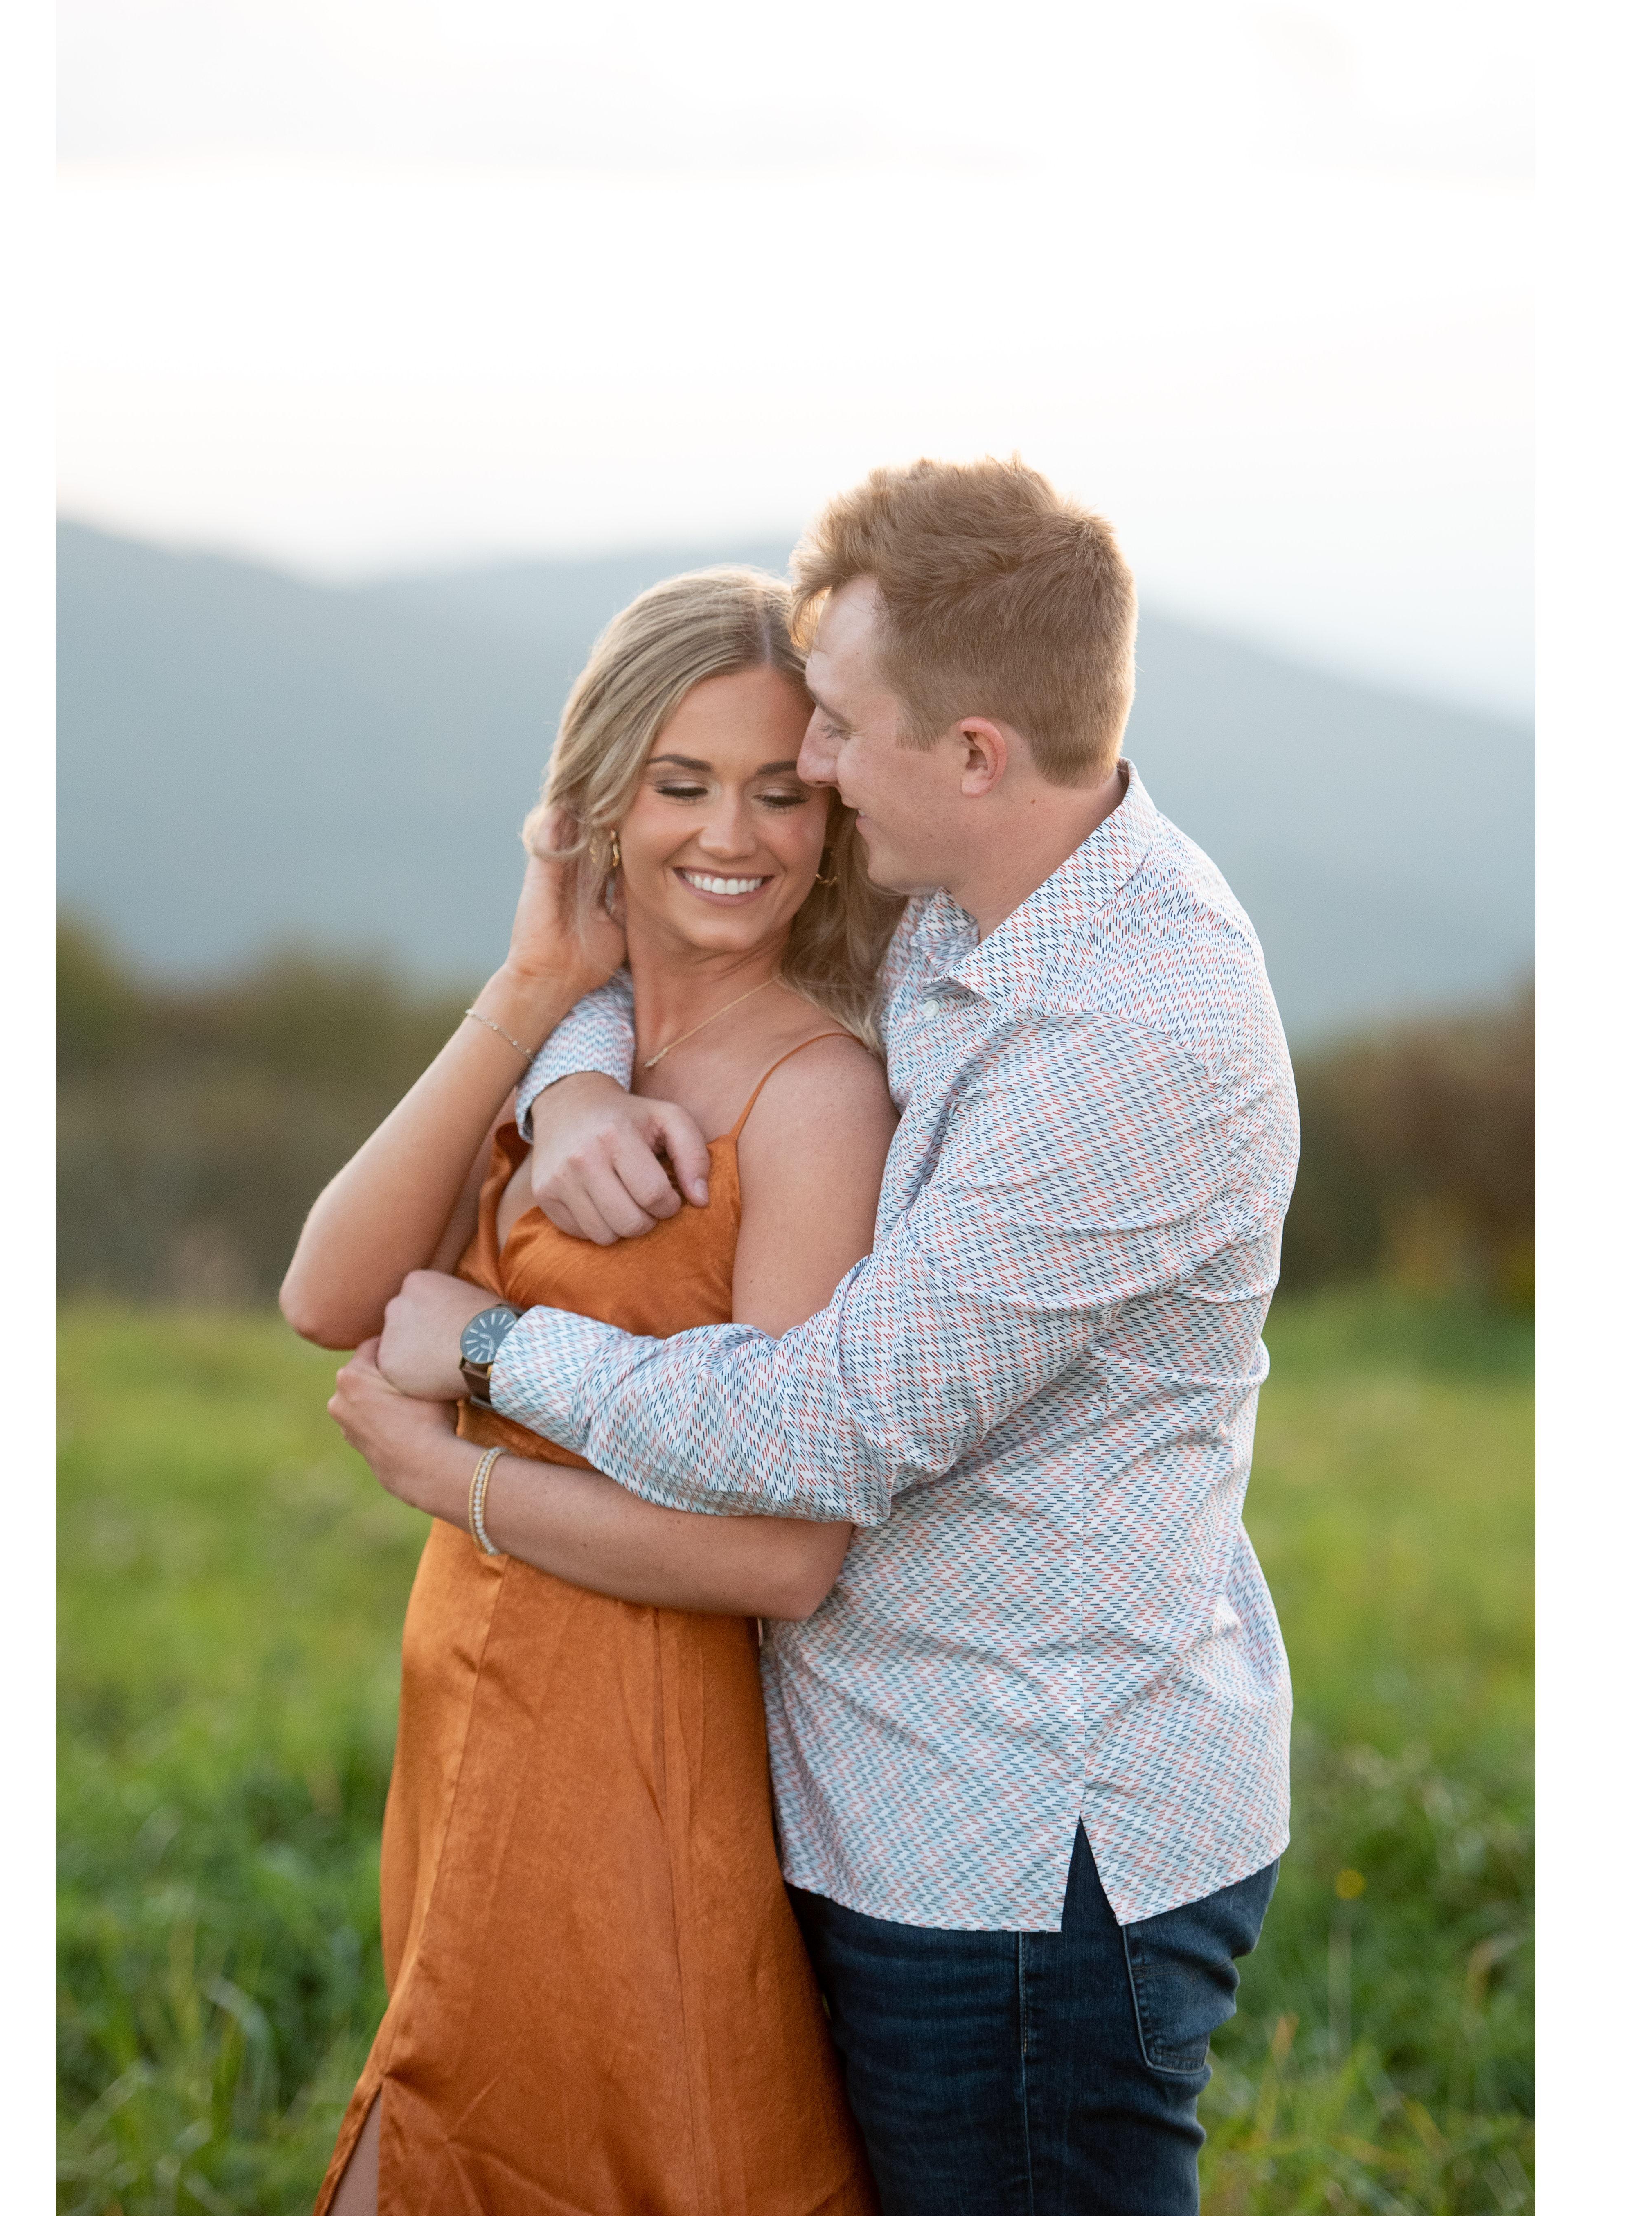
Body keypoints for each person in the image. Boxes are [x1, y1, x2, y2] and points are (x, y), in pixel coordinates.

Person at [353, 458, 1301, 2216]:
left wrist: (486, 1361)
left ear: (971, 756)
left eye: (841, 739)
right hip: (874, 1790)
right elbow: (685, 962)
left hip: (1023, 1842)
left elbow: (823, 1433)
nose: (816, 778)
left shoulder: (1134, 1036)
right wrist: (568, 1086)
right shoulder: (976, 905)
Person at [283, 566, 901, 2215]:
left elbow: (787, 1552)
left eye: (781, 789)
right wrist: (530, 1001)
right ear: (598, 798)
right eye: (681, 781)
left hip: (632, 1740)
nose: (737, 832)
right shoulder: (578, 1046)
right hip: (467, 1696)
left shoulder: (816, 1098)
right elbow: (327, 1294)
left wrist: (447, 1478)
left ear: (832, 812)